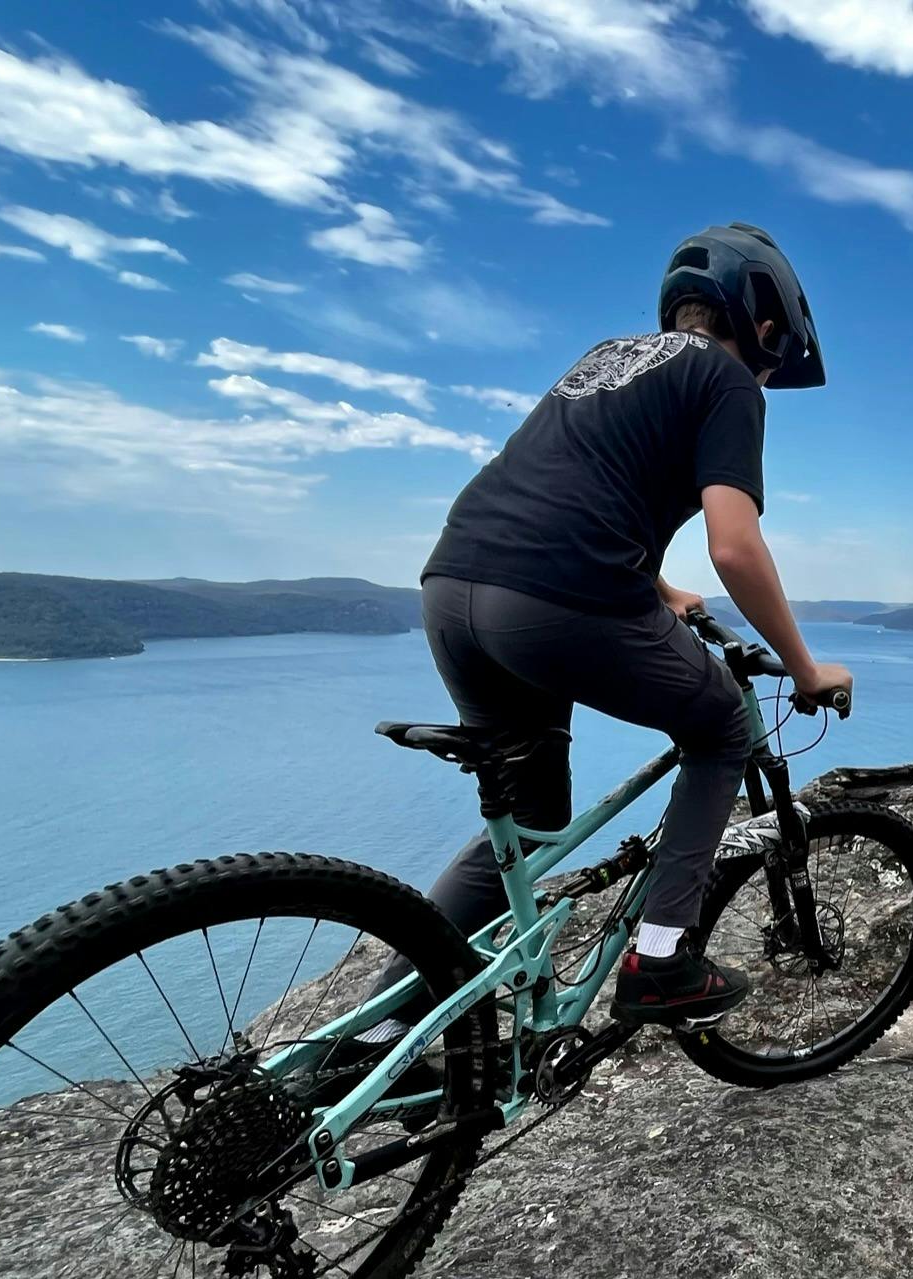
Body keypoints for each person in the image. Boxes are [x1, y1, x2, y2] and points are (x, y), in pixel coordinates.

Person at [354, 223, 852, 1054]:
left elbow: (571, 487)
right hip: (558, 603)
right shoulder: (730, 381)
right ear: (766, 328)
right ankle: (660, 961)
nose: (767, 373)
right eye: (774, 356)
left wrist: (659, 587)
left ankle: (377, 1031)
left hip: (452, 588)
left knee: (534, 814)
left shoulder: (605, 359)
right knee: (722, 728)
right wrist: (803, 667)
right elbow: (734, 542)